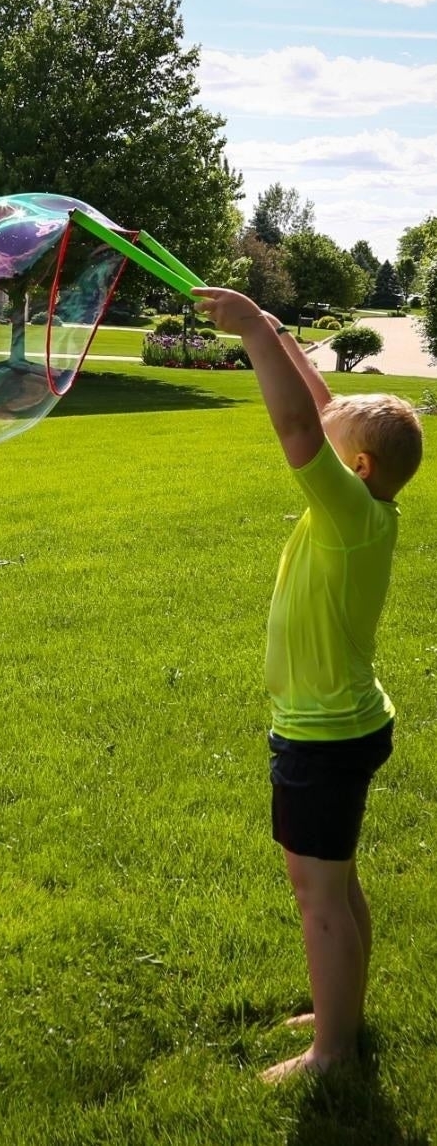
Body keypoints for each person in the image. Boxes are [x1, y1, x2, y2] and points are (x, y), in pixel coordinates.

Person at [191, 288, 424, 1083]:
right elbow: (321, 408)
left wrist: (254, 332)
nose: (321, 438)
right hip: (339, 723)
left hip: (325, 733)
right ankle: (341, 1008)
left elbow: (298, 426)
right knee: (336, 878)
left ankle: (333, 1052)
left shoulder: (348, 514)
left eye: (335, 445)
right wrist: (281, 331)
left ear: (353, 467)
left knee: (316, 893)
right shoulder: (361, 504)